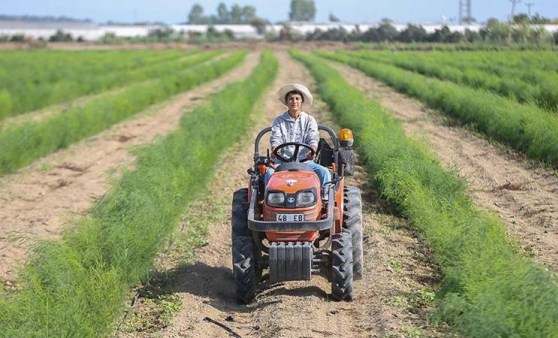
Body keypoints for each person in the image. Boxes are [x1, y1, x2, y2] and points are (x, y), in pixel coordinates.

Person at [264, 83, 331, 188]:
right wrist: (275, 149)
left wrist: (312, 150)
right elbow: (276, 139)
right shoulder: (279, 121)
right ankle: (269, 200)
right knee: (269, 173)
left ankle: (326, 199)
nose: (294, 102)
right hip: (283, 162)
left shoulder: (309, 120)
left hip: (305, 162)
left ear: (302, 101)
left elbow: (313, 138)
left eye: (297, 98)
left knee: (325, 172)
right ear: (286, 102)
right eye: (291, 99)